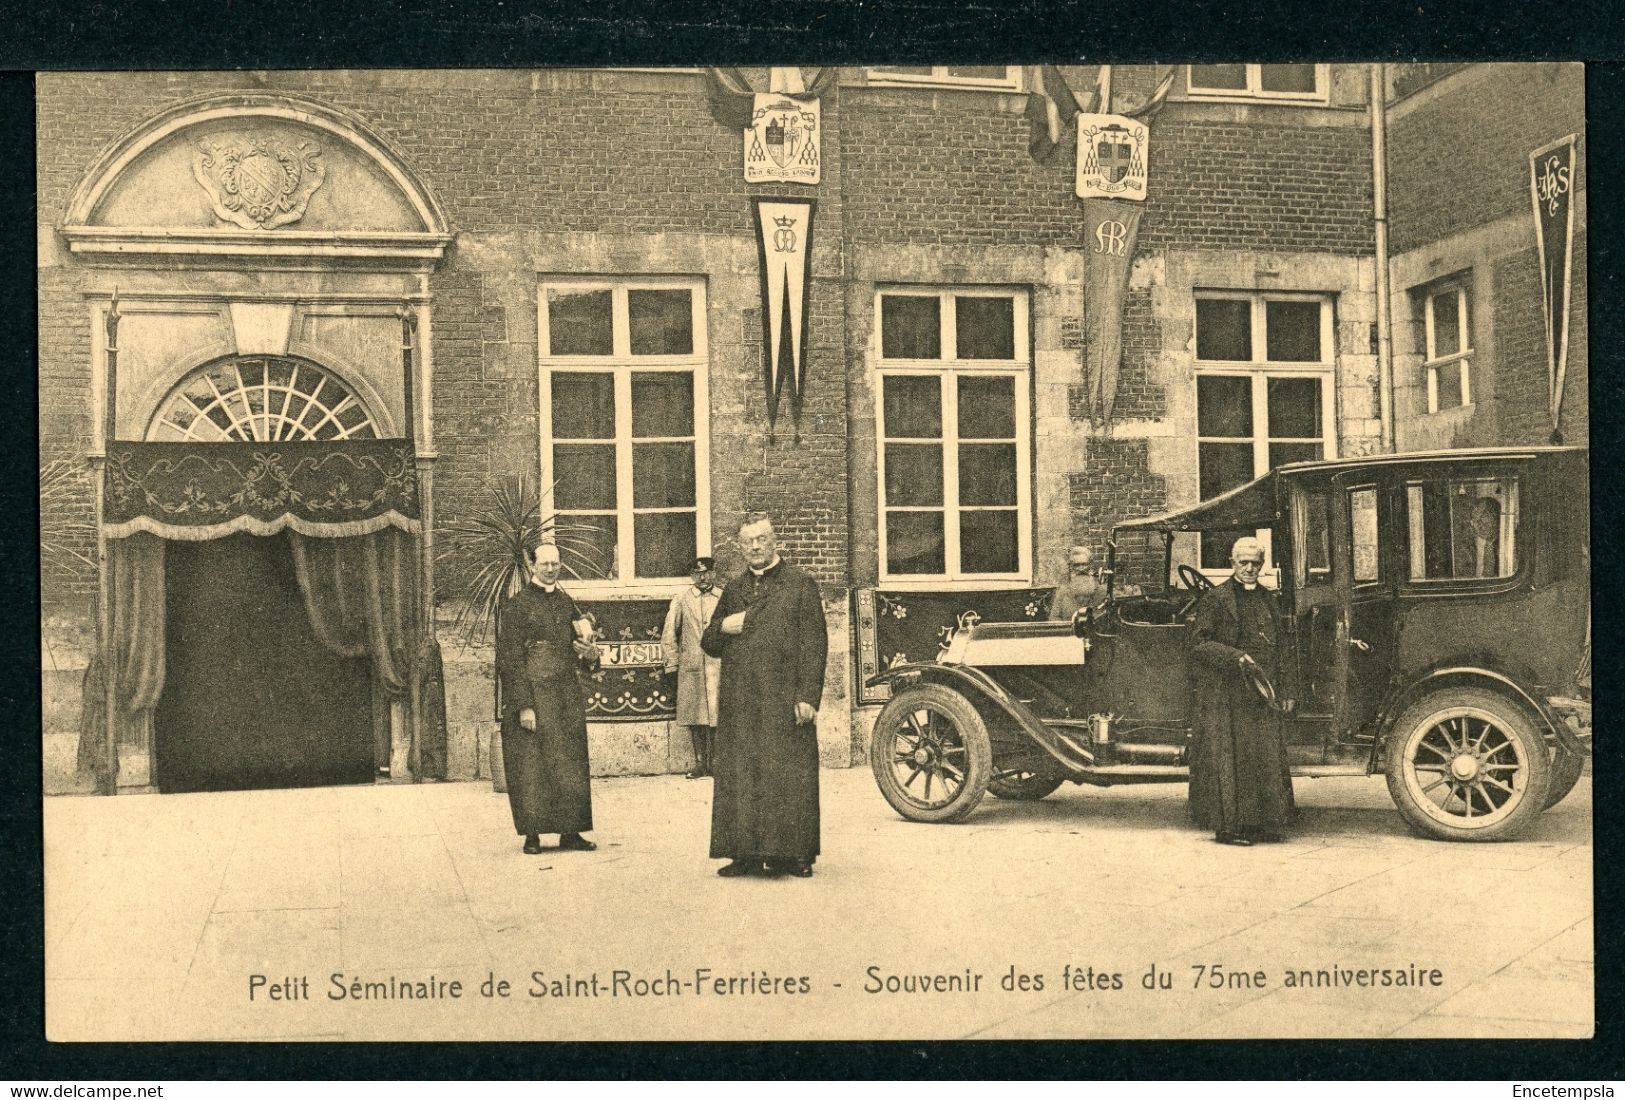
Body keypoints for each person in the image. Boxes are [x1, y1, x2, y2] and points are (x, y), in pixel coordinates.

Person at [701, 513, 828, 878]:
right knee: (742, 774)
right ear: (739, 547)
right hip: (741, 700)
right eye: (748, 542)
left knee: (790, 775)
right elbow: (709, 643)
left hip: (785, 698)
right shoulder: (734, 588)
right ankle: (745, 854)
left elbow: (814, 644)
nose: (755, 547)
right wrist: (724, 626)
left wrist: (808, 696)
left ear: (775, 541)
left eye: (761, 539)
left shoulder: (800, 584)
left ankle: (797, 855)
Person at [1186, 536, 1295, 846]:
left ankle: (1261, 824)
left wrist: (1286, 691)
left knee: (1264, 757)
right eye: (1243, 562)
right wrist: (1236, 657)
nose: (1249, 568)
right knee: (1233, 760)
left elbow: (1284, 648)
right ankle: (1230, 829)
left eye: (1255, 563)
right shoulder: (1215, 599)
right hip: (1229, 693)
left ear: (1262, 565)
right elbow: (1199, 644)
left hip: (1263, 692)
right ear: (1232, 563)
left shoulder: (1269, 598)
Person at [495, 542, 601, 855]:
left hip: (566, 694)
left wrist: (591, 654)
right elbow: (510, 660)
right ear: (532, 566)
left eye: (556, 564)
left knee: (570, 763)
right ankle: (533, 835)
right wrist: (524, 705)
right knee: (532, 767)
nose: (551, 569)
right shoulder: (516, 605)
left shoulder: (568, 603)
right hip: (535, 696)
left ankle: (571, 832)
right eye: (545, 564)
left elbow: (582, 649)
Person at [661, 555, 722, 779]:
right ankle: (699, 763)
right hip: (692, 666)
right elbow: (669, 634)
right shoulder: (682, 600)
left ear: (714, 573)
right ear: (691, 575)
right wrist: (672, 664)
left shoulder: (723, 598)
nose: (703, 577)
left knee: (717, 714)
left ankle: (715, 762)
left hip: (718, 665)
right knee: (695, 715)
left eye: (707, 572)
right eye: (697, 573)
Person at [1049, 544, 1106, 621]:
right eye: (1076, 565)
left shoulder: (1102, 591)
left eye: (1084, 564)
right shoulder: (1063, 591)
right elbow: (1054, 618)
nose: (1081, 569)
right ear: (1071, 567)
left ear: (1090, 566)